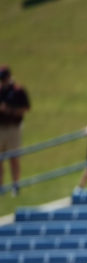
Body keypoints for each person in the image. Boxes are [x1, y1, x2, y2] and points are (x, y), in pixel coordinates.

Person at [0, 65, 30, 195]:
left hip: (13, 127)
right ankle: (1, 187)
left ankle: (15, 186)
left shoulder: (18, 90)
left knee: (14, 158)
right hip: (1, 127)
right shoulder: (0, 91)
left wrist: (10, 110)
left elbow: (26, 108)